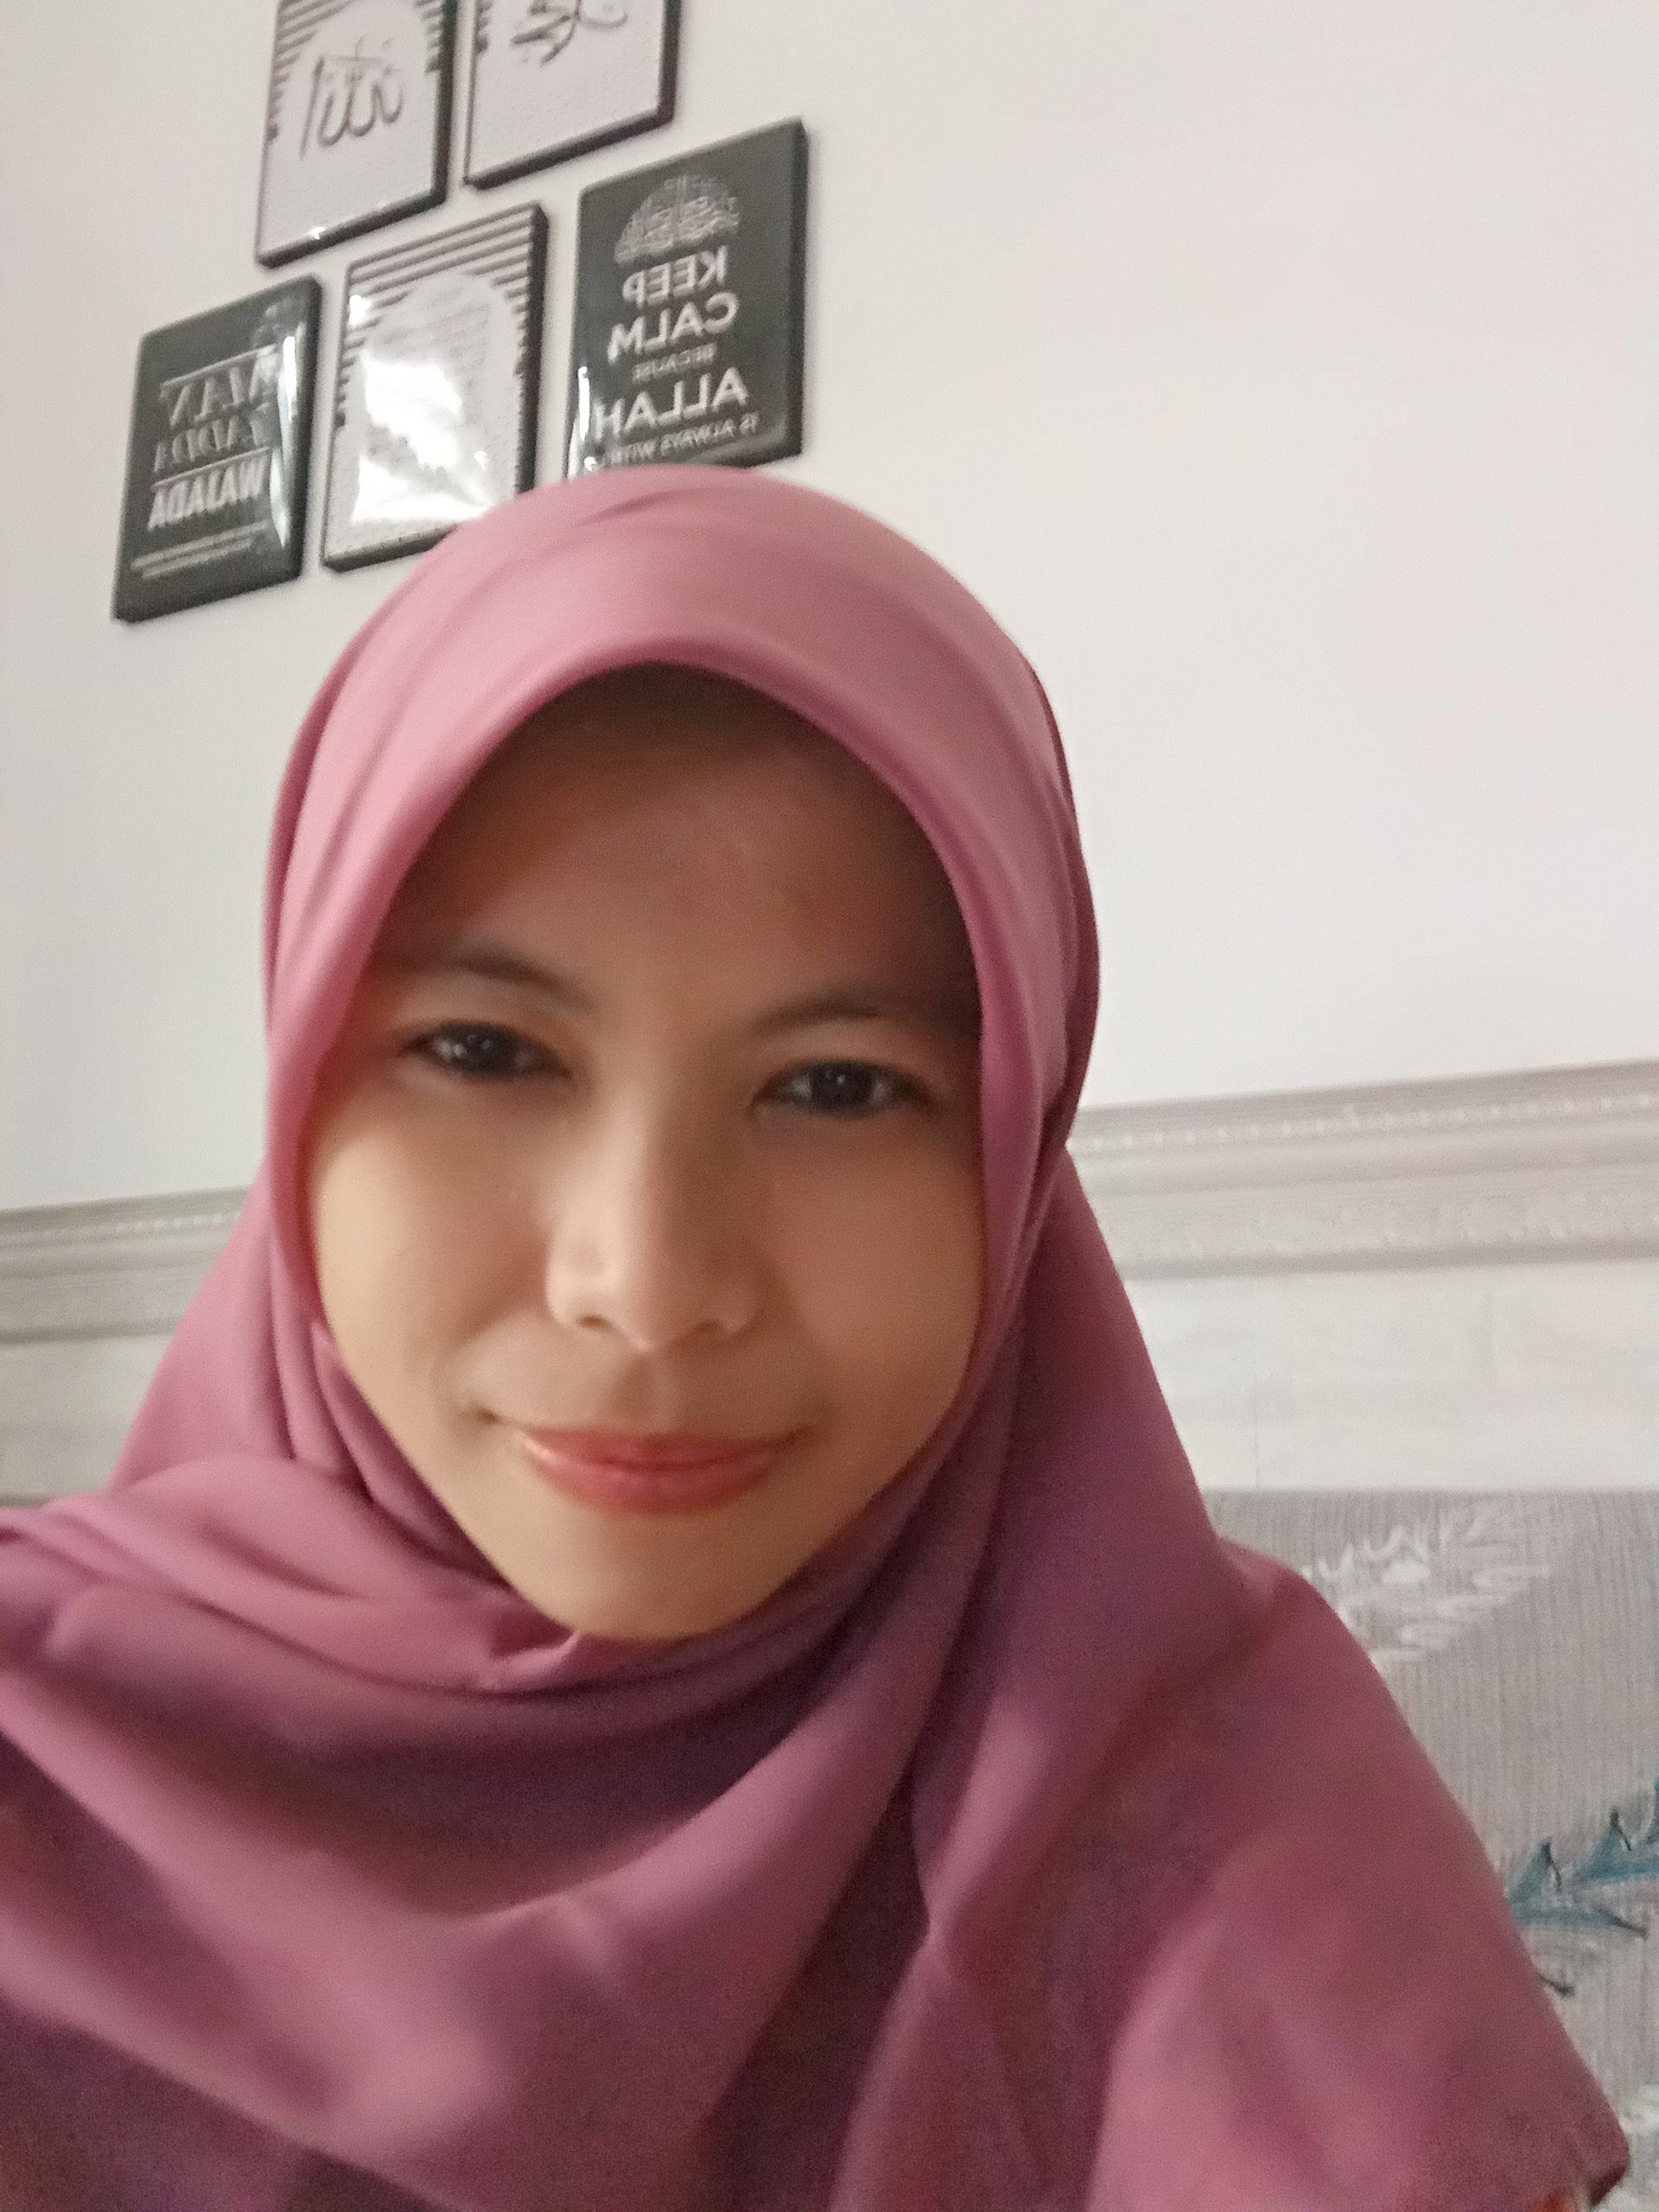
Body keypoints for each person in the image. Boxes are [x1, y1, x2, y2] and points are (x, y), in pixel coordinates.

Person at [0, 467, 1626, 2210]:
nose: (649, 1281)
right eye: (483, 1050)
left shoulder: (1231, 1821)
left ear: (1011, 1150)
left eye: (840, 1086)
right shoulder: (41, 1758)